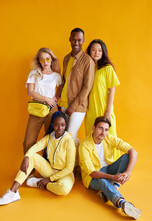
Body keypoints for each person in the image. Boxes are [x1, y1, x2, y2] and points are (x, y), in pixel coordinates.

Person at [0, 112, 76, 205]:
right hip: (50, 170)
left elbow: (69, 168)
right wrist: (26, 156)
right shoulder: (49, 137)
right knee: (31, 156)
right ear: (52, 125)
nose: (59, 128)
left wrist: (48, 180)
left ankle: (42, 184)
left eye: (62, 125)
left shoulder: (69, 141)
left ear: (65, 126)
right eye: (56, 125)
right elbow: (36, 147)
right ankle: (12, 192)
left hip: (65, 174)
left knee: (63, 189)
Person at [79, 116, 141, 219]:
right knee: (102, 181)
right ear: (93, 128)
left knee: (127, 156)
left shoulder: (108, 138)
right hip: (93, 177)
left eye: (106, 129)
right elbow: (92, 173)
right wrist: (113, 177)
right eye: (100, 128)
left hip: (109, 169)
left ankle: (111, 189)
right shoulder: (84, 145)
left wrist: (128, 172)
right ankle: (123, 204)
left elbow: (133, 152)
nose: (103, 132)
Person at [59, 28, 95, 165]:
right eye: (74, 39)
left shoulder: (88, 61)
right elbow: (64, 80)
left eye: (79, 40)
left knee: (69, 136)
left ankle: (75, 166)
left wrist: (73, 106)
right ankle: (80, 164)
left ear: (83, 41)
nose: (76, 42)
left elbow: (87, 87)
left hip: (78, 107)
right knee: (69, 136)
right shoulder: (67, 58)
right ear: (69, 39)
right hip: (63, 103)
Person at [85, 39, 120, 160]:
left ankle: (113, 167)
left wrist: (108, 111)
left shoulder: (107, 68)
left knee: (109, 137)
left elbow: (112, 89)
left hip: (104, 108)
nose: (96, 53)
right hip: (91, 110)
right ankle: (94, 167)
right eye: (93, 50)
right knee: (92, 138)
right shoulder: (88, 67)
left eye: (99, 50)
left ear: (103, 52)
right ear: (89, 51)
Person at [23, 47, 62, 154]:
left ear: (52, 60)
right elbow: (30, 92)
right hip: (37, 108)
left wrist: (55, 98)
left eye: (48, 59)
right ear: (39, 61)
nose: (45, 62)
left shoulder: (56, 76)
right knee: (29, 141)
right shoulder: (33, 73)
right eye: (42, 59)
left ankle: (48, 168)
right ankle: (30, 169)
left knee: (51, 139)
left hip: (52, 109)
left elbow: (60, 89)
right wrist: (47, 99)